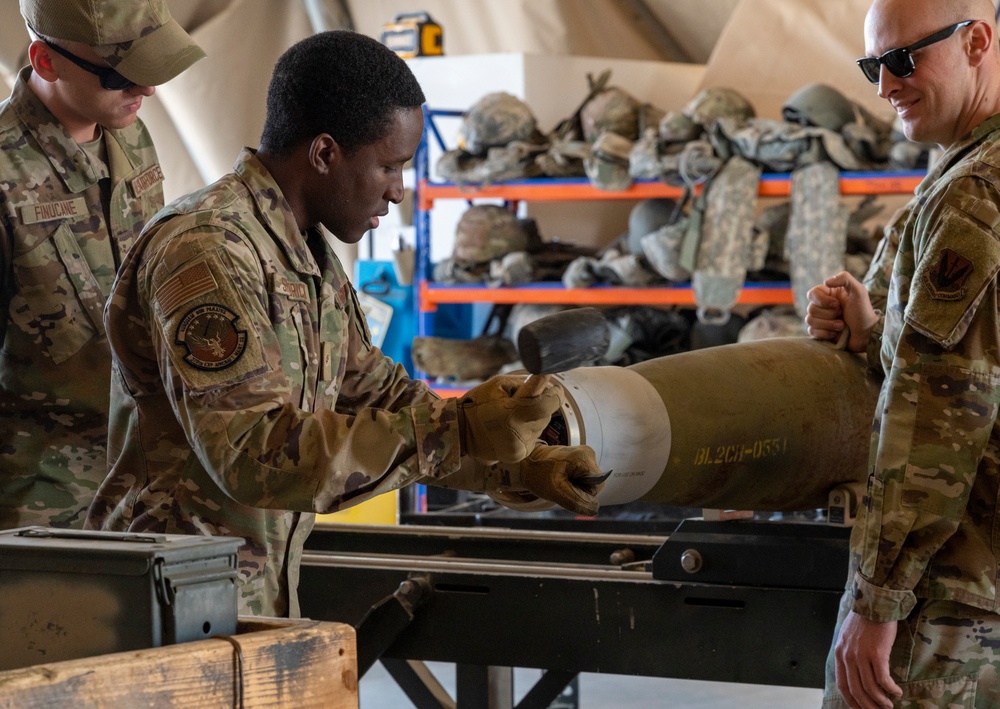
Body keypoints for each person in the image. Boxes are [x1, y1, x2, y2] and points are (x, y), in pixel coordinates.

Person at [85, 30, 603, 618]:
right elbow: (254, 455)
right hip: (165, 599)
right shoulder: (209, 249)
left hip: (249, 598)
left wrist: (507, 462)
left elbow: (376, 396)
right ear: (325, 153)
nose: (398, 191)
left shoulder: (304, 253)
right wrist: (460, 429)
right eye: (388, 166)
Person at [806, 0, 1000, 706]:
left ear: (977, 40)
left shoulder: (973, 198)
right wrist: (873, 328)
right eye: (872, 66)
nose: (885, 86)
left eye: (903, 59)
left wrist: (878, 599)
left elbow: (940, 418)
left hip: (952, 604)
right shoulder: (968, 169)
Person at [0, 0, 205, 530]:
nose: (148, 90)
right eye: (122, 75)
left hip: (138, 481)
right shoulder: (5, 176)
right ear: (46, 62)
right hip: (37, 498)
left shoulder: (130, 136)